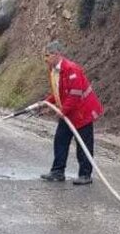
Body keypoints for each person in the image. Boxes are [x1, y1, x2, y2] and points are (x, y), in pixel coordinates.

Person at [40, 40, 103, 185]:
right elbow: (59, 92)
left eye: (47, 55)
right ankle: (57, 172)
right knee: (60, 141)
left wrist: (62, 111)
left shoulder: (71, 69)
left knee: (84, 146)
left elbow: (75, 93)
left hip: (82, 113)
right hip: (69, 113)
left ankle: (85, 175)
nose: (45, 59)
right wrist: (46, 103)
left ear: (57, 54)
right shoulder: (53, 70)